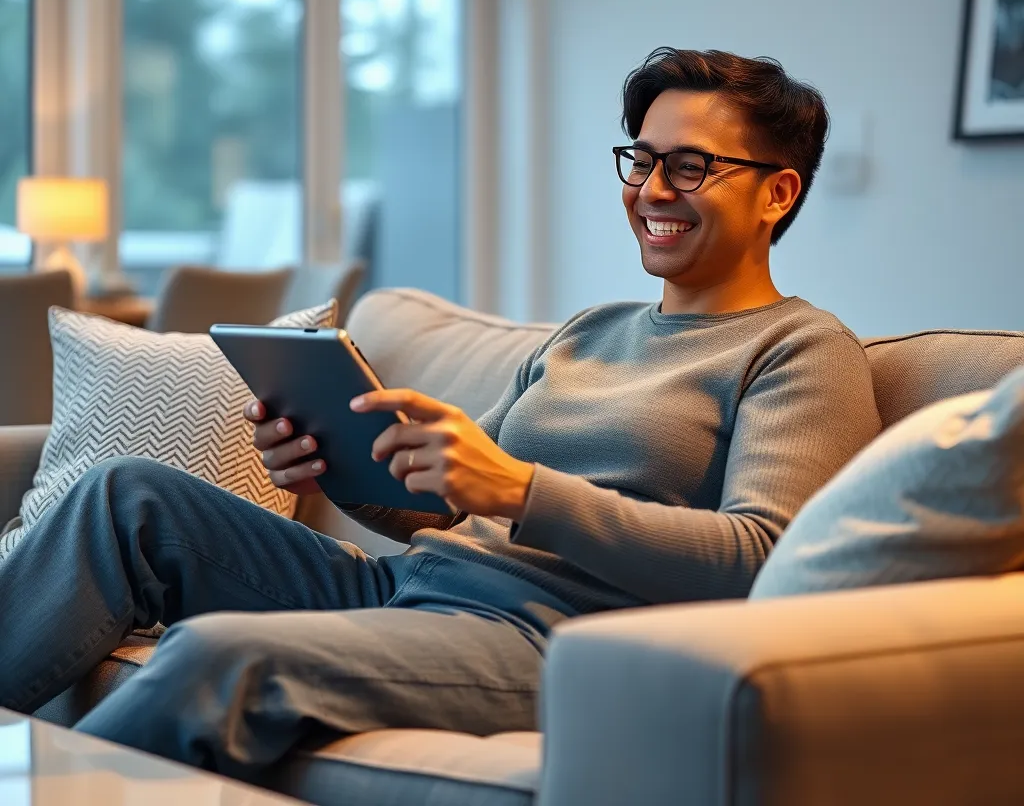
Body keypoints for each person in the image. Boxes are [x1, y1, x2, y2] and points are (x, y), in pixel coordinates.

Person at [0, 48, 881, 781]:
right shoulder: (591, 333)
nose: (652, 188)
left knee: (219, 657)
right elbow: (451, 506)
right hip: (410, 587)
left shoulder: (802, 350)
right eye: (641, 159)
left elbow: (765, 562)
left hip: (548, 640)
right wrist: (341, 460)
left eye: (690, 166)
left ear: (777, 193)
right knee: (127, 498)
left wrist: (522, 488)